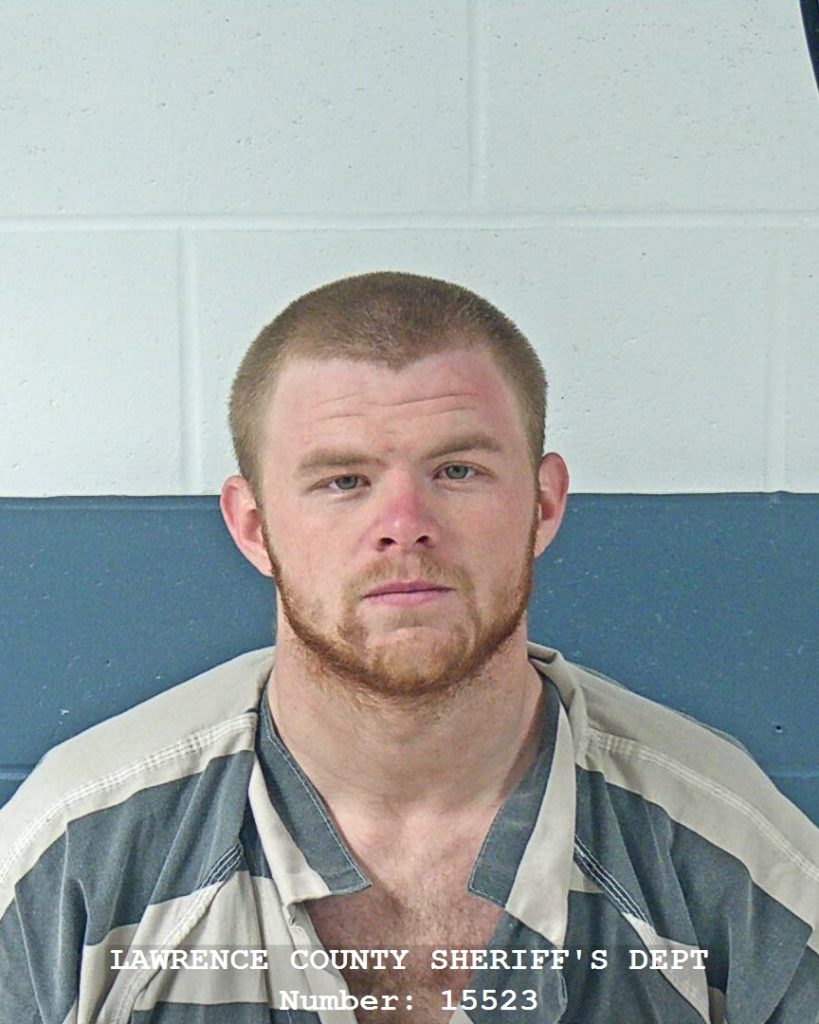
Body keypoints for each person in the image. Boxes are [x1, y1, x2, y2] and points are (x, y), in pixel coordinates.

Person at [0, 271, 817, 1023]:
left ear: (542, 504)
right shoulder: (74, 850)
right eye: (343, 481)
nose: (404, 525)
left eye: (456, 470)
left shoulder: (733, 855)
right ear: (253, 527)